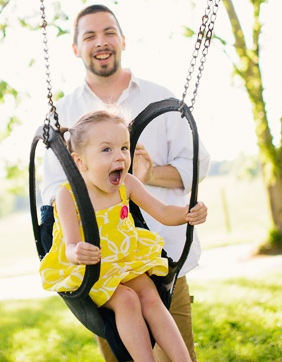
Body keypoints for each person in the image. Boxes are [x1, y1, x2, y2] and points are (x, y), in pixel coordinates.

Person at [41, 4, 211, 362]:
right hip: (99, 270)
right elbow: (54, 192)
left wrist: (160, 189)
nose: (100, 42)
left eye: (108, 33)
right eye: (89, 35)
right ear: (76, 48)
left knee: (154, 305)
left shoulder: (158, 97)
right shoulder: (66, 112)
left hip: (155, 258)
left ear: (122, 40)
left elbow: (188, 175)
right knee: (125, 324)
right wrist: (77, 247)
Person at [39, 110, 207, 362]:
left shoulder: (127, 183)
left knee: (150, 296)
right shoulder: (68, 195)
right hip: (92, 270)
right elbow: (70, 245)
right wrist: (78, 251)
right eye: (107, 150)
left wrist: (187, 213)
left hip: (125, 261)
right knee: (127, 300)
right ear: (80, 162)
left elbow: (162, 211)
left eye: (124, 148)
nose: (120, 156)